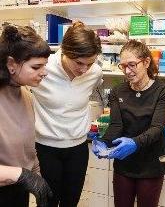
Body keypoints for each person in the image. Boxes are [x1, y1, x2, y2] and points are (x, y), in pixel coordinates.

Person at [30, 21, 103, 206]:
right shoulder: (43, 68)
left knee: (71, 202)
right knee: (47, 202)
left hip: (78, 148)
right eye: (79, 63)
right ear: (64, 50)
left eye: (90, 63)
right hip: (46, 148)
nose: (84, 69)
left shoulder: (94, 72)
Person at [93, 39, 165, 207]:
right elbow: (116, 125)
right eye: (123, 66)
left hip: (150, 167)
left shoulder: (163, 91)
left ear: (146, 62)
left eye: (132, 65)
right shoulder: (118, 91)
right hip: (124, 165)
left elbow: (157, 128)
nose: (127, 71)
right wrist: (103, 141)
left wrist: (135, 143)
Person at [0, 25, 52, 206]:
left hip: (18, 190)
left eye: (44, 65)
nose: (44, 72)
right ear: (11, 64)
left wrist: (38, 179)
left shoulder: (27, 96)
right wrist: (22, 175)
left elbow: (28, 150)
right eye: (36, 66)